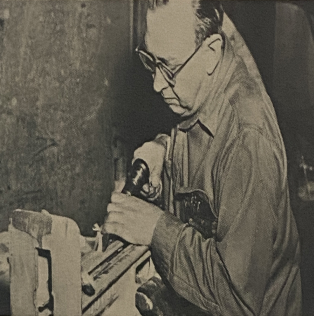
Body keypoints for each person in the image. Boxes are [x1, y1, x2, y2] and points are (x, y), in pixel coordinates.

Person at [103, 0, 302, 314]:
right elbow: (199, 139)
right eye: (150, 61)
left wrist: (155, 228)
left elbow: (240, 299)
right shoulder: (196, 81)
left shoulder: (248, 141)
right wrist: (162, 149)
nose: (156, 83)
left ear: (211, 52)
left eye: (167, 67)